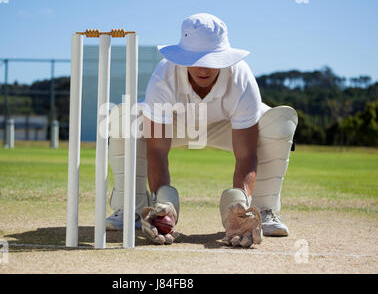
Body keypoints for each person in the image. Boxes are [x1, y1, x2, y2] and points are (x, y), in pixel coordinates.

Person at [105, 13, 298, 248]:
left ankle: (260, 210)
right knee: (124, 119)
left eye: (212, 59)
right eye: (195, 58)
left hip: (225, 127)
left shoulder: (241, 77)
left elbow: (246, 155)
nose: (203, 68)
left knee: (279, 121)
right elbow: (157, 151)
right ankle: (133, 208)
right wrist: (164, 204)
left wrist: (239, 203)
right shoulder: (164, 75)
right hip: (176, 125)